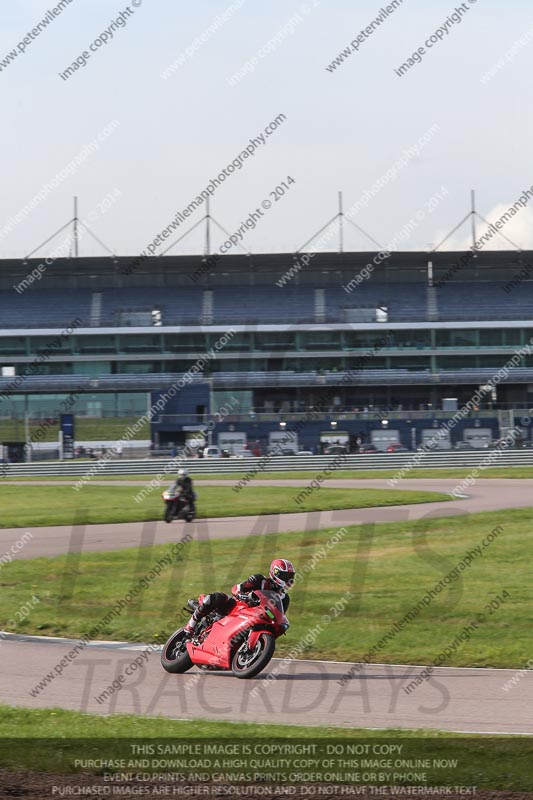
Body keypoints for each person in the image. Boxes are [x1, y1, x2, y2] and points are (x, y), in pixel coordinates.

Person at [183, 558, 296, 635]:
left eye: (290, 576)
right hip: (236, 607)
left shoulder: (284, 599)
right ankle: (190, 626)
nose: (288, 579)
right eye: (286, 576)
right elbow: (238, 587)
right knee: (214, 598)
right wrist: (240, 594)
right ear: (276, 573)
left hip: (255, 619)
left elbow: (278, 616)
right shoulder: (259, 580)